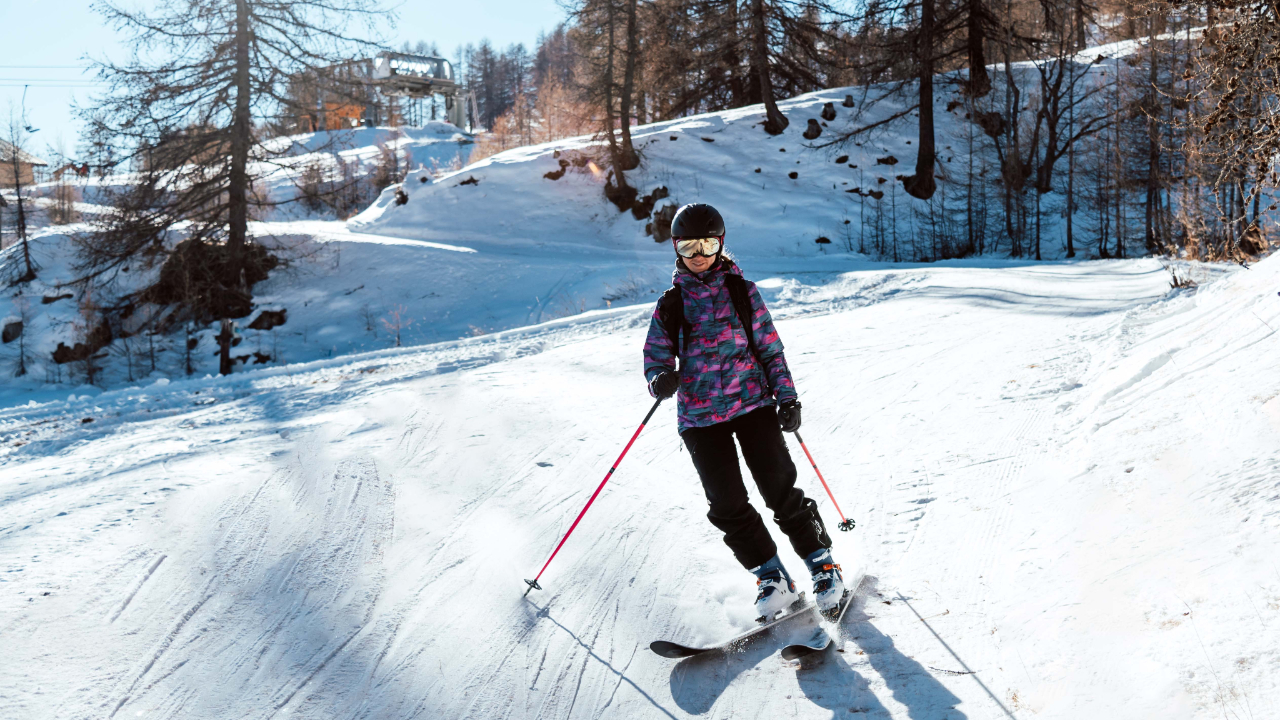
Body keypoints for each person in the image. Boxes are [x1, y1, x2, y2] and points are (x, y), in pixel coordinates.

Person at [642, 202, 847, 621]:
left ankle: (823, 566)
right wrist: (660, 378)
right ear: (676, 249)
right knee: (727, 504)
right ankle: (773, 578)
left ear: (720, 244)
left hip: (752, 403)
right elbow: (655, 357)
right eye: (687, 246)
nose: (698, 254)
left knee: (779, 490)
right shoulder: (670, 305)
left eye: (707, 244)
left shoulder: (741, 291)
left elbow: (770, 348)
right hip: (699, 419)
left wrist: (787, 397)